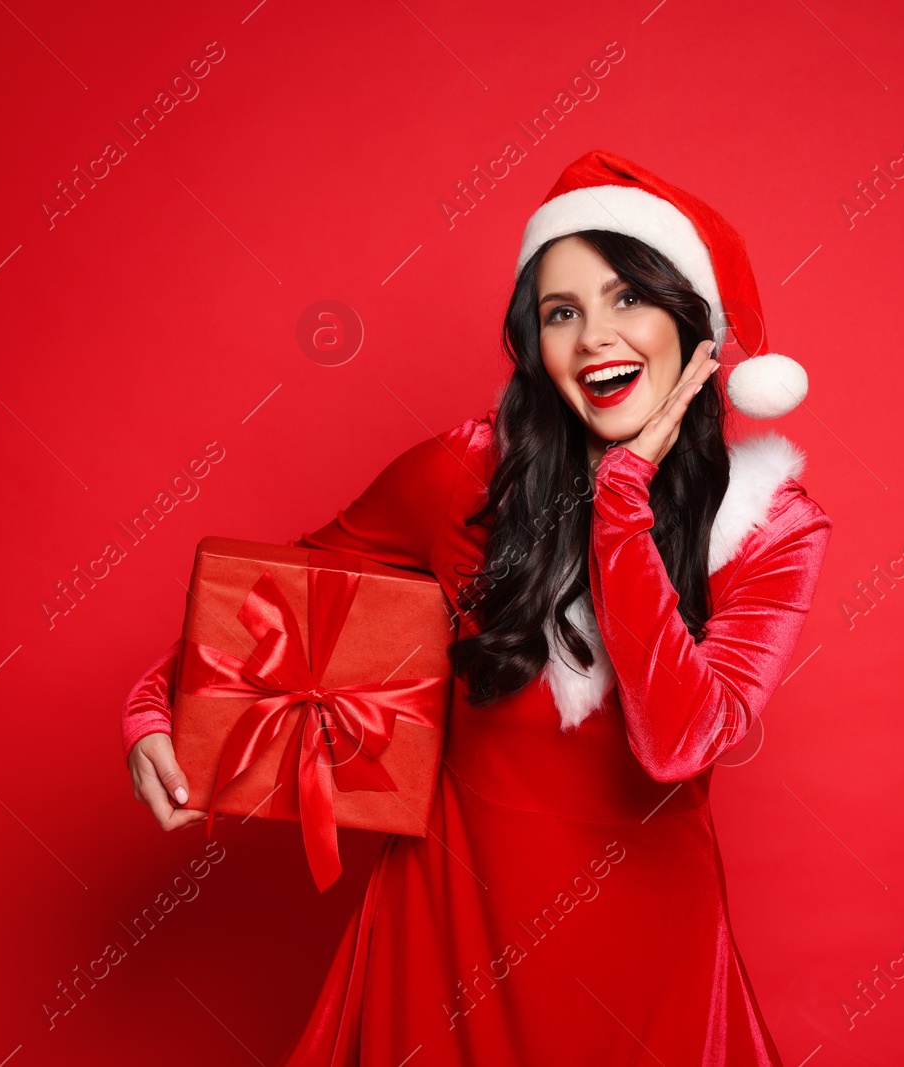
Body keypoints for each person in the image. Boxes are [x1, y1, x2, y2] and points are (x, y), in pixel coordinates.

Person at [121, 150, 833, 1065]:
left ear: (696, 326)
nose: (594, 339)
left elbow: (677, 742)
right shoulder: (460, 474)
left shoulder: (770, 526)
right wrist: (156, 709)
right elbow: (275, 605)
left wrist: (622, 501)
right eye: (561, 312)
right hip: (448, 928)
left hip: (650, 958)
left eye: (628, 299)